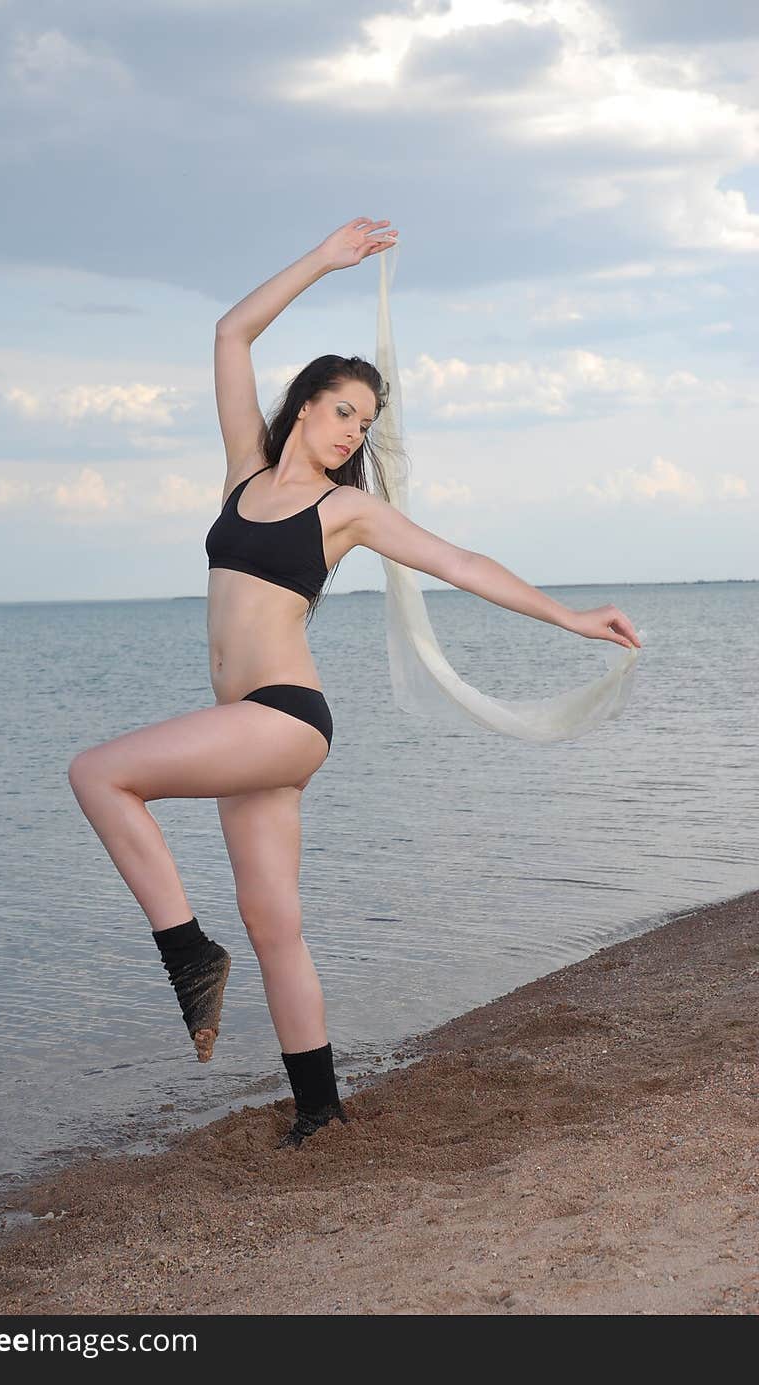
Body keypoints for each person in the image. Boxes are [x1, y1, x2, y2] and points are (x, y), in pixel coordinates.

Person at [67, 216, 642, 1149]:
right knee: (276, 925)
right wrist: (324, 262)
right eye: (343, 412)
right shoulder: (243, 475)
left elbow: (462, 560)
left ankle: (183, 949)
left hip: (285, 716)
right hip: (242, 727)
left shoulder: (349, 511)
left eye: (365, 425)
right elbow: (228, 333)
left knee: (99, 773)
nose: (351, 434)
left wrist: (571, 617)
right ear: (305, 404)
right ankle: (320, 1111)